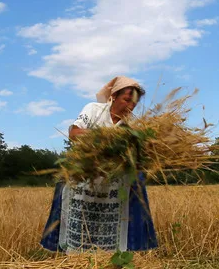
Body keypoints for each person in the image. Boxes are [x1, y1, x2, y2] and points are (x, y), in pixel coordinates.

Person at [41, 76, 158, 253]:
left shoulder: (131, 125)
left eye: (134, 103)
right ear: (114, 97)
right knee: (67, 183)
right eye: (127, 99)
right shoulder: (93, 109)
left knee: (137, 180)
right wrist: (103, 137)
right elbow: (74, 133)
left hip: (114, 174)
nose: (131, 106)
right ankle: (64, 247)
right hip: (86, 167)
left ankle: (132, 249)